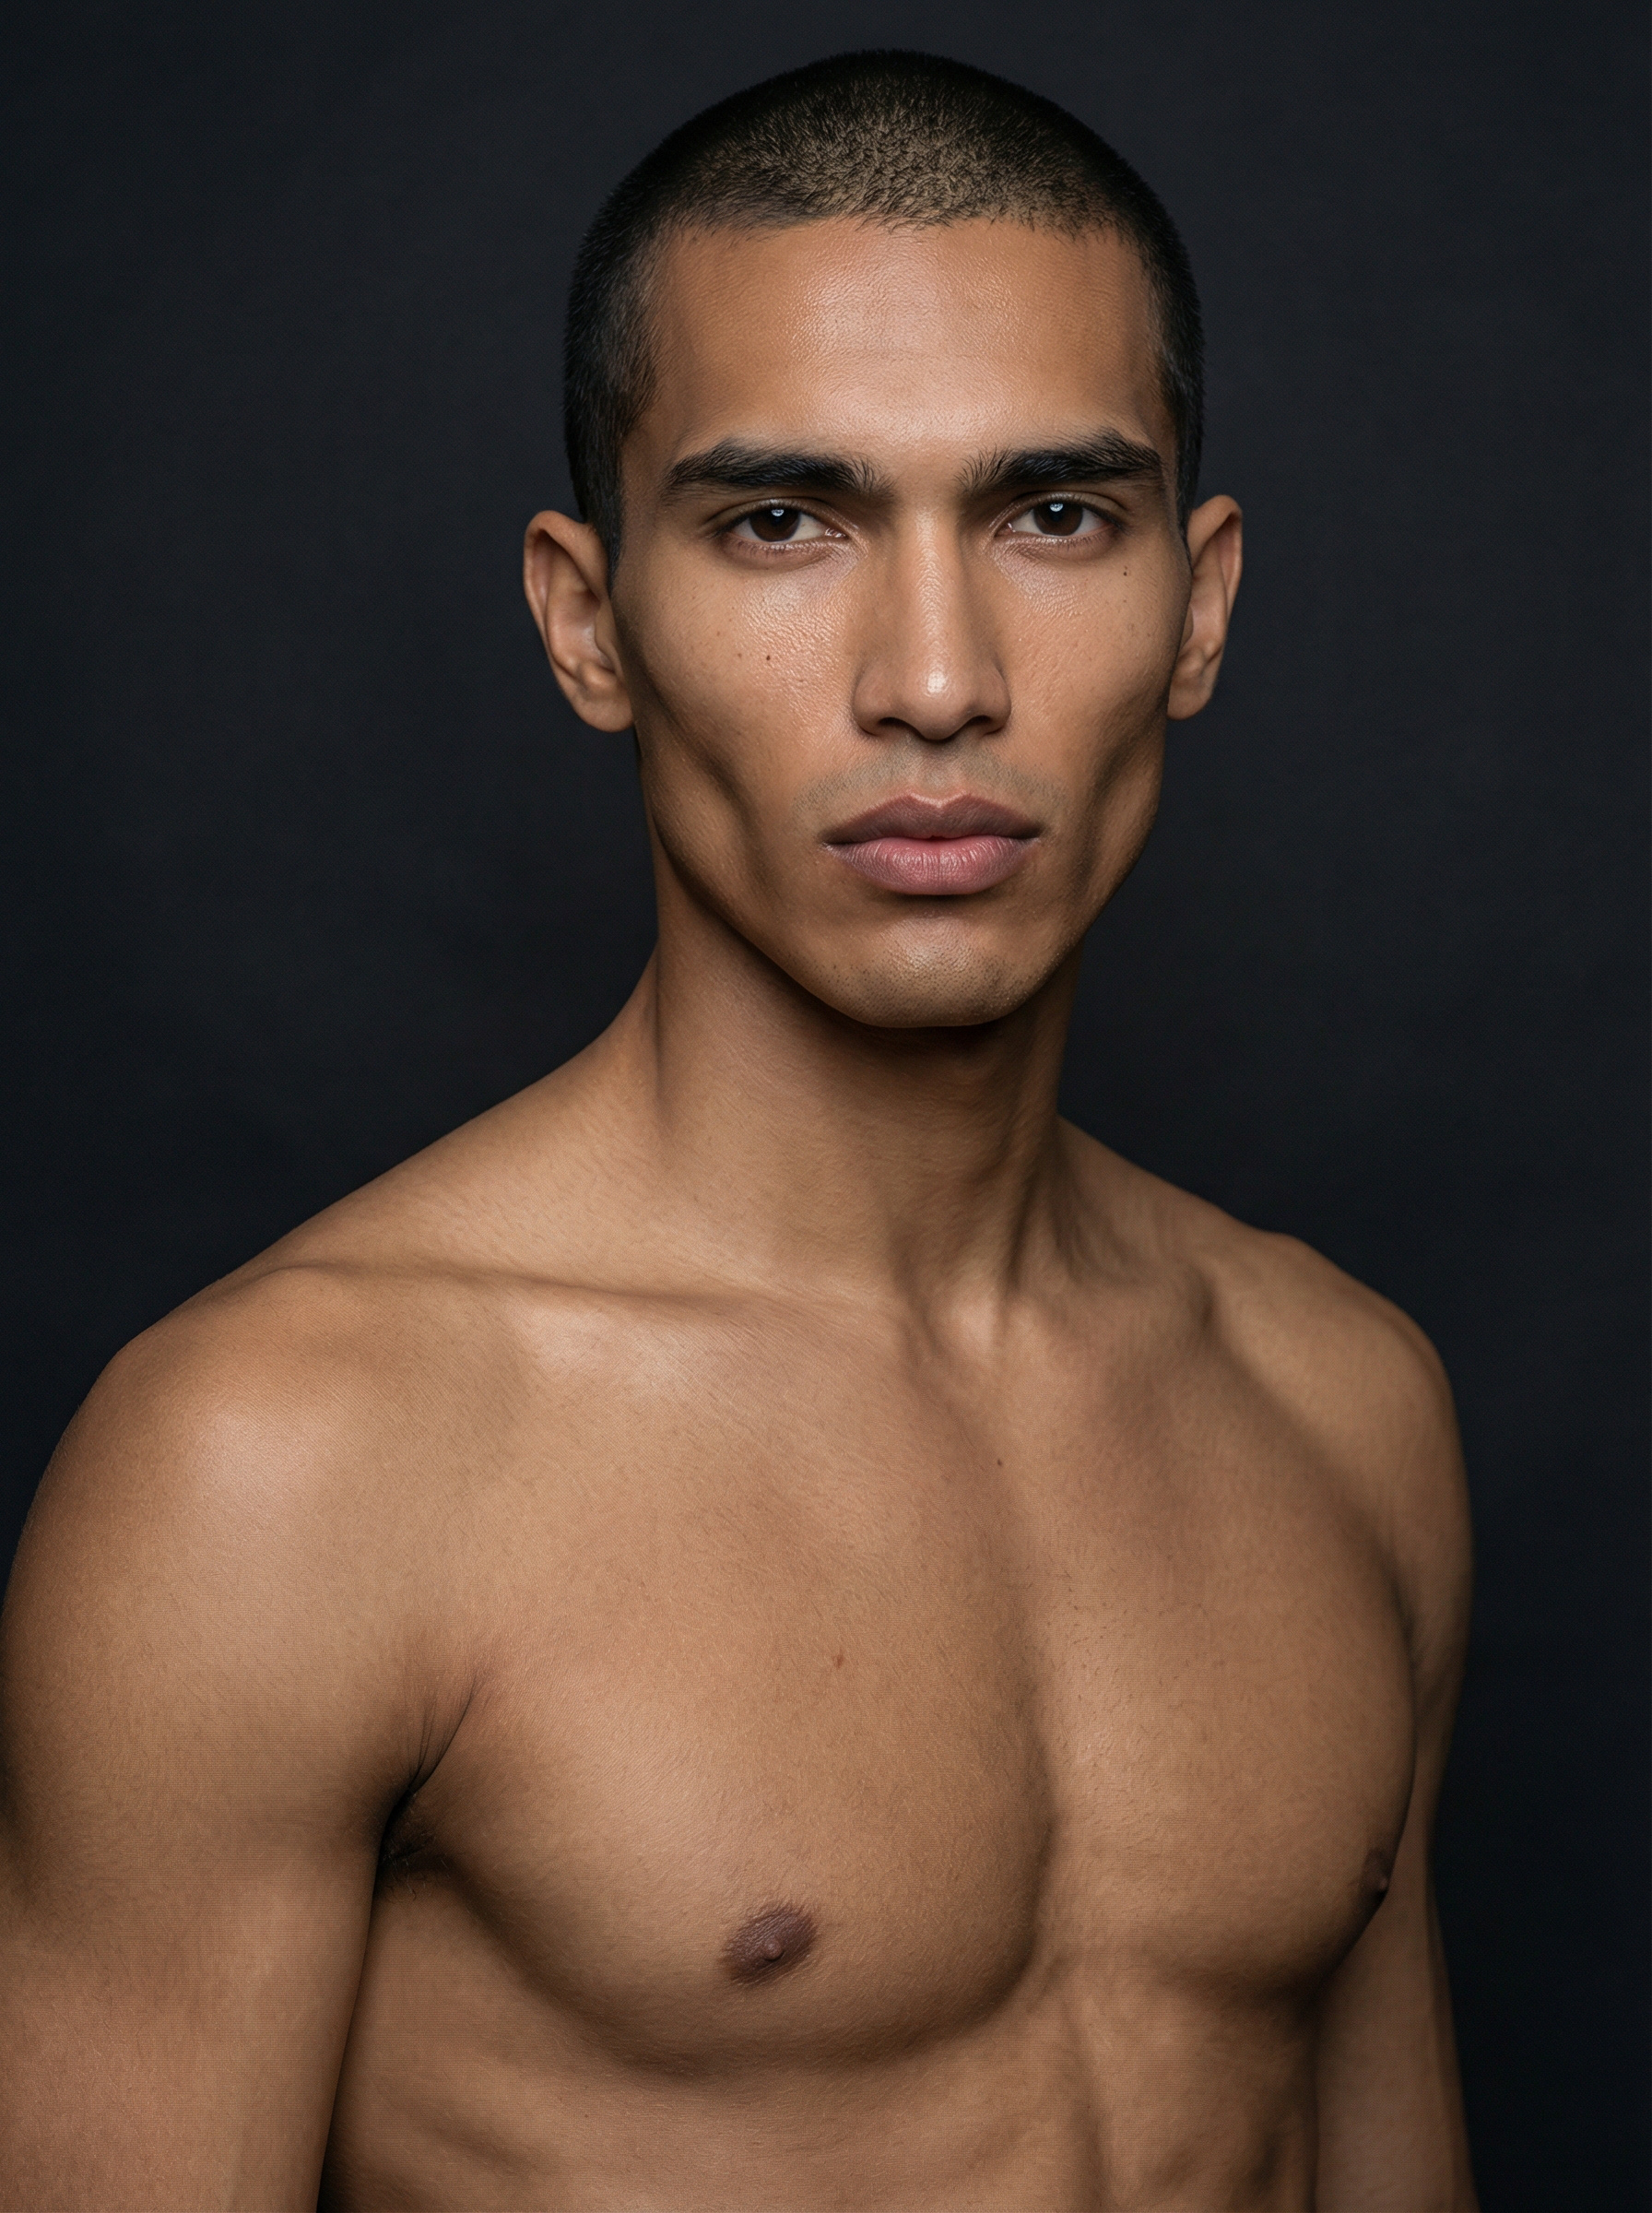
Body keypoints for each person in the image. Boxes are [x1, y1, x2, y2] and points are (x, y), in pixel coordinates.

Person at [0, 50, 1478, 2212]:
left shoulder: (1342, 1409)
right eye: (781, 522)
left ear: (1200, 601)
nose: (935, 681)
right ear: (587, 621)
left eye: (1054, 514)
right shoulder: (288, 1462)